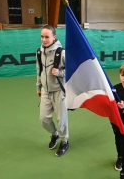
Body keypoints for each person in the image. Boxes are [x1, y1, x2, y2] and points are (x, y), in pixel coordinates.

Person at [36, 25, 69, 157]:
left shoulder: (62, 53)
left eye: (47, 37)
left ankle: (64, 141)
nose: (44, 40)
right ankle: (54, 134)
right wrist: (39, 86)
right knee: (43, 119)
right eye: (42, 37)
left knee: (62, 120)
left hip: (59, 91)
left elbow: (73, 71)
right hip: (45, 91)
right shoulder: (39, 52)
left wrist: (60, 72)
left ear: (54, 37)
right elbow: (39, 71)